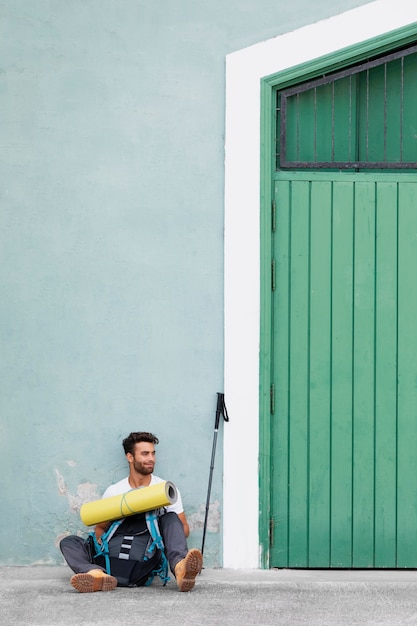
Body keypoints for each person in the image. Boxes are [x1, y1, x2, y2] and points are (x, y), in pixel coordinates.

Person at [60, 431, 203, 593]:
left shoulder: (166, 489)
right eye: (145, 454)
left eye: (153, 453)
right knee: (69, 542)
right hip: (115, 551)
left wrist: (161, 531)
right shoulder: (115, 492)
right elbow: (100, 530)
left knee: (170, 517)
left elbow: (184, 529)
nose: (151, 458)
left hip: (146, 554)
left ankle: (180, 568)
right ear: (130, 457)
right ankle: (96, 574)